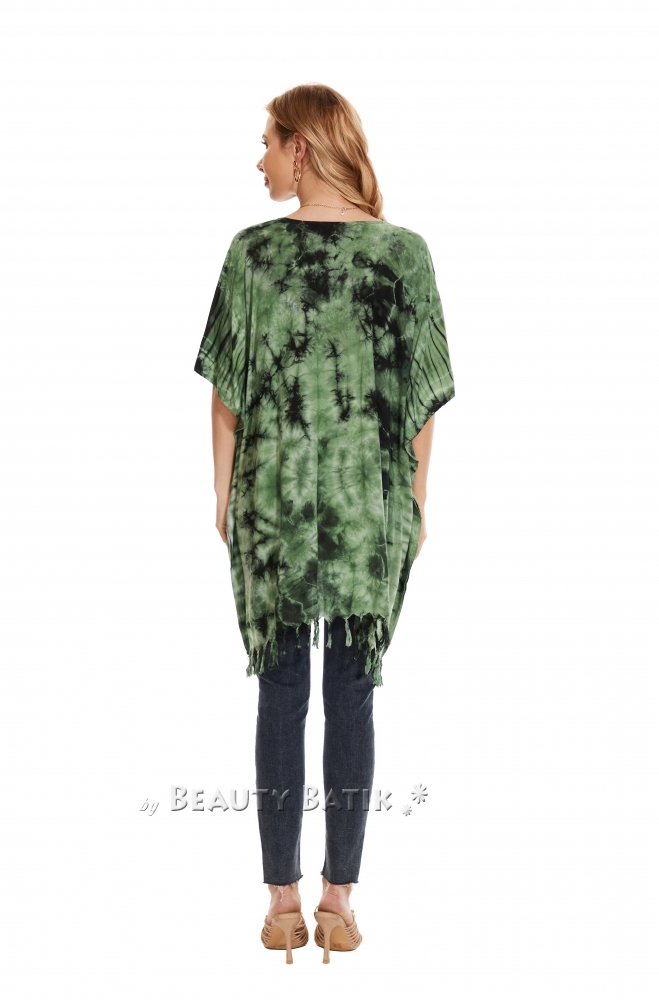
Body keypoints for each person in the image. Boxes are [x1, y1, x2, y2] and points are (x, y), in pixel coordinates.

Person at [193, 84, 455, 963]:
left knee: (280, 691)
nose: (260, 160)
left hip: (273, 504)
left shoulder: (253, 254)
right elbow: (420, 401)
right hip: (367, 508)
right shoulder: (402, 255)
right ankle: (338, 900)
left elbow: (227, 395)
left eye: (267, 143)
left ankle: (283, 904)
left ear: (300, 146)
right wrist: (415, 500)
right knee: (350, 693)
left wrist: (223, 496)